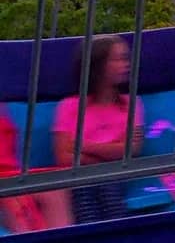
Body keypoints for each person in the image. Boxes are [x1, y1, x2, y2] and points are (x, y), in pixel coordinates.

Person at [53, 35, 143, 225]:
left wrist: (83, 146)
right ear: (98, 66)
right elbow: (64, 157)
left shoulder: (132, 104)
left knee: (107, 185)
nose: (126, 64)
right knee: (84, 188)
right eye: (117, 59)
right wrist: (110, 152)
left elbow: (131, 150)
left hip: (116, 177)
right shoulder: (69, 106)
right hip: (79, 178)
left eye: (125, 58)